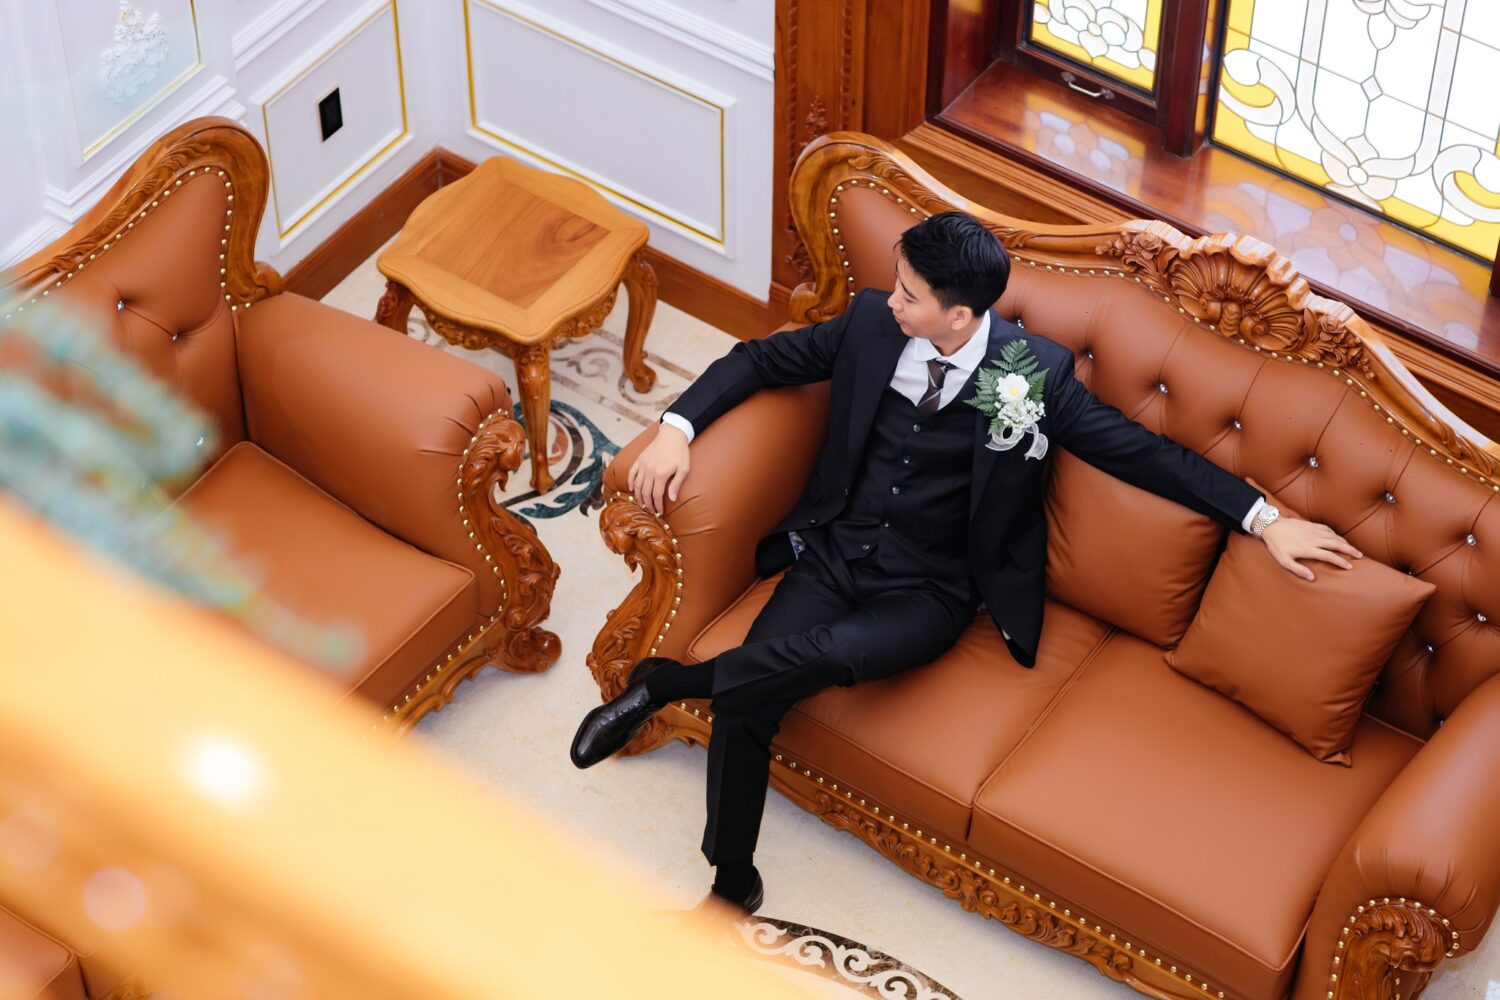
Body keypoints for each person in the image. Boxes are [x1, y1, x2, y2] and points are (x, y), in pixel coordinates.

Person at [569, 211, 1361, 916]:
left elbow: (1145, 454)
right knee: (751, 700)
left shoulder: (1029, 374)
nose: (892, 298)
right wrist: (675, 429)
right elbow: (761, 361)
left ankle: (665, 685)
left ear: (960, 314)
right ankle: (732, 880)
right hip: (834, 554)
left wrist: (1266, 519)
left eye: (909, 293)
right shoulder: (871, 324)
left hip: (929, 591)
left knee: (832, 656)